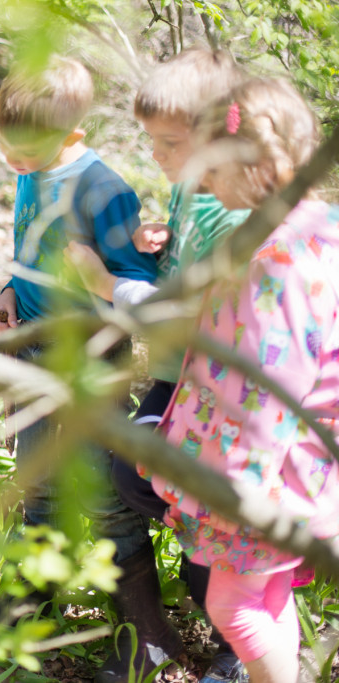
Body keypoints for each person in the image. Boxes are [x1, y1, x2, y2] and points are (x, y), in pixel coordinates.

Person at [62, 49, 250, 683]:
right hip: (176, 379)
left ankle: (240, 649)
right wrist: (164, 243)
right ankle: (209, 573)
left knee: (201, 517)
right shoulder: (193, 192)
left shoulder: (234, 213)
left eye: (170, 143)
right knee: (133, 474)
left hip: (216, 390)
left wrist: (108, 281)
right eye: (152, 142)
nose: (158, 157)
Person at [145, 77, 339, 683]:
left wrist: (227, 484)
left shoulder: (277, 260)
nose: (200, 181)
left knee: (233, 605)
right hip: (307, 466)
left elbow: (264, 391)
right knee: (264, 593)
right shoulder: (320, 225)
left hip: (267, 478)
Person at [0, 55, 161, 659]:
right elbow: (26, 245)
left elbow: (137, 282)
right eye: (8, 149)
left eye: (26, 153)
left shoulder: (103, 190)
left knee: (105, 494)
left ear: (73, 135)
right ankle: (38, 590)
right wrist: (10, 290)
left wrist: (96, 281)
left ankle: (141, 628)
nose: (16, 164)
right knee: (36, 478)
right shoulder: (32, 170)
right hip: (34, 346)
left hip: (91, 358)